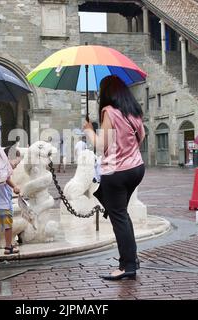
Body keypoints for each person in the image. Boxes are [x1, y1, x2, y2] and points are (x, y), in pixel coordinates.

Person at [83, 75, 145, 281]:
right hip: (136, 168)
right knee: (122, 215)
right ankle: (132, 259)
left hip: (116, 172)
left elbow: (101, 146)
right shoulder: (134, 112)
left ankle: (127, 266)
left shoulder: (109, 112)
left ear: (107, 93)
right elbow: (141, 137)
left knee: (118, 217)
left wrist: (89, 131)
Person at [0, 147, 22, 255]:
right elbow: (7, 179)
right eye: (16, 163)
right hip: (4, 203)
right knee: (8, 226)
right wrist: (15, 187)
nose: (16, 166)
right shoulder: (4, 169)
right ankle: (8, 247)